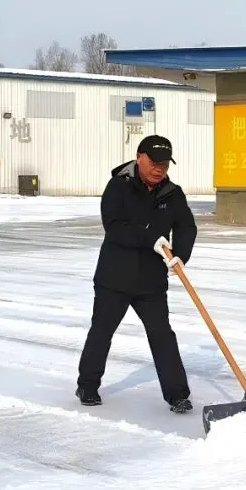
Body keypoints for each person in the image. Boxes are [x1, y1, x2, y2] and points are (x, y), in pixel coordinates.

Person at [76, 134, 198, 414]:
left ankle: (177, 394)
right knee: (102, 331)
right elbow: (114, 225)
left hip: (151, 281)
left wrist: (181, 254)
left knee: (162, 335)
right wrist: (150, 237)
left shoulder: (172, 193)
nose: (160, 169)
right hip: (114, 277)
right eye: (154, 162)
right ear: (138, 157)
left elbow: (186, 226)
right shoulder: (119, 187)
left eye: (165, 164)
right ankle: (88, 385)